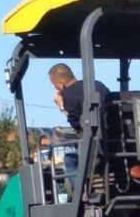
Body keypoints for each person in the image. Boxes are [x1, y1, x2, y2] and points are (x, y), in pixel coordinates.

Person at [47, 63, 110, 193]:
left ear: (60, 83)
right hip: (115, 140)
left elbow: (78, 125)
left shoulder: (68, 96)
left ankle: (81, 192)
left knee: (70, 159)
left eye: (55, 86)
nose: (56, 89)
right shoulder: (98, 85)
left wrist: (62, 107)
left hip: (97, 147)